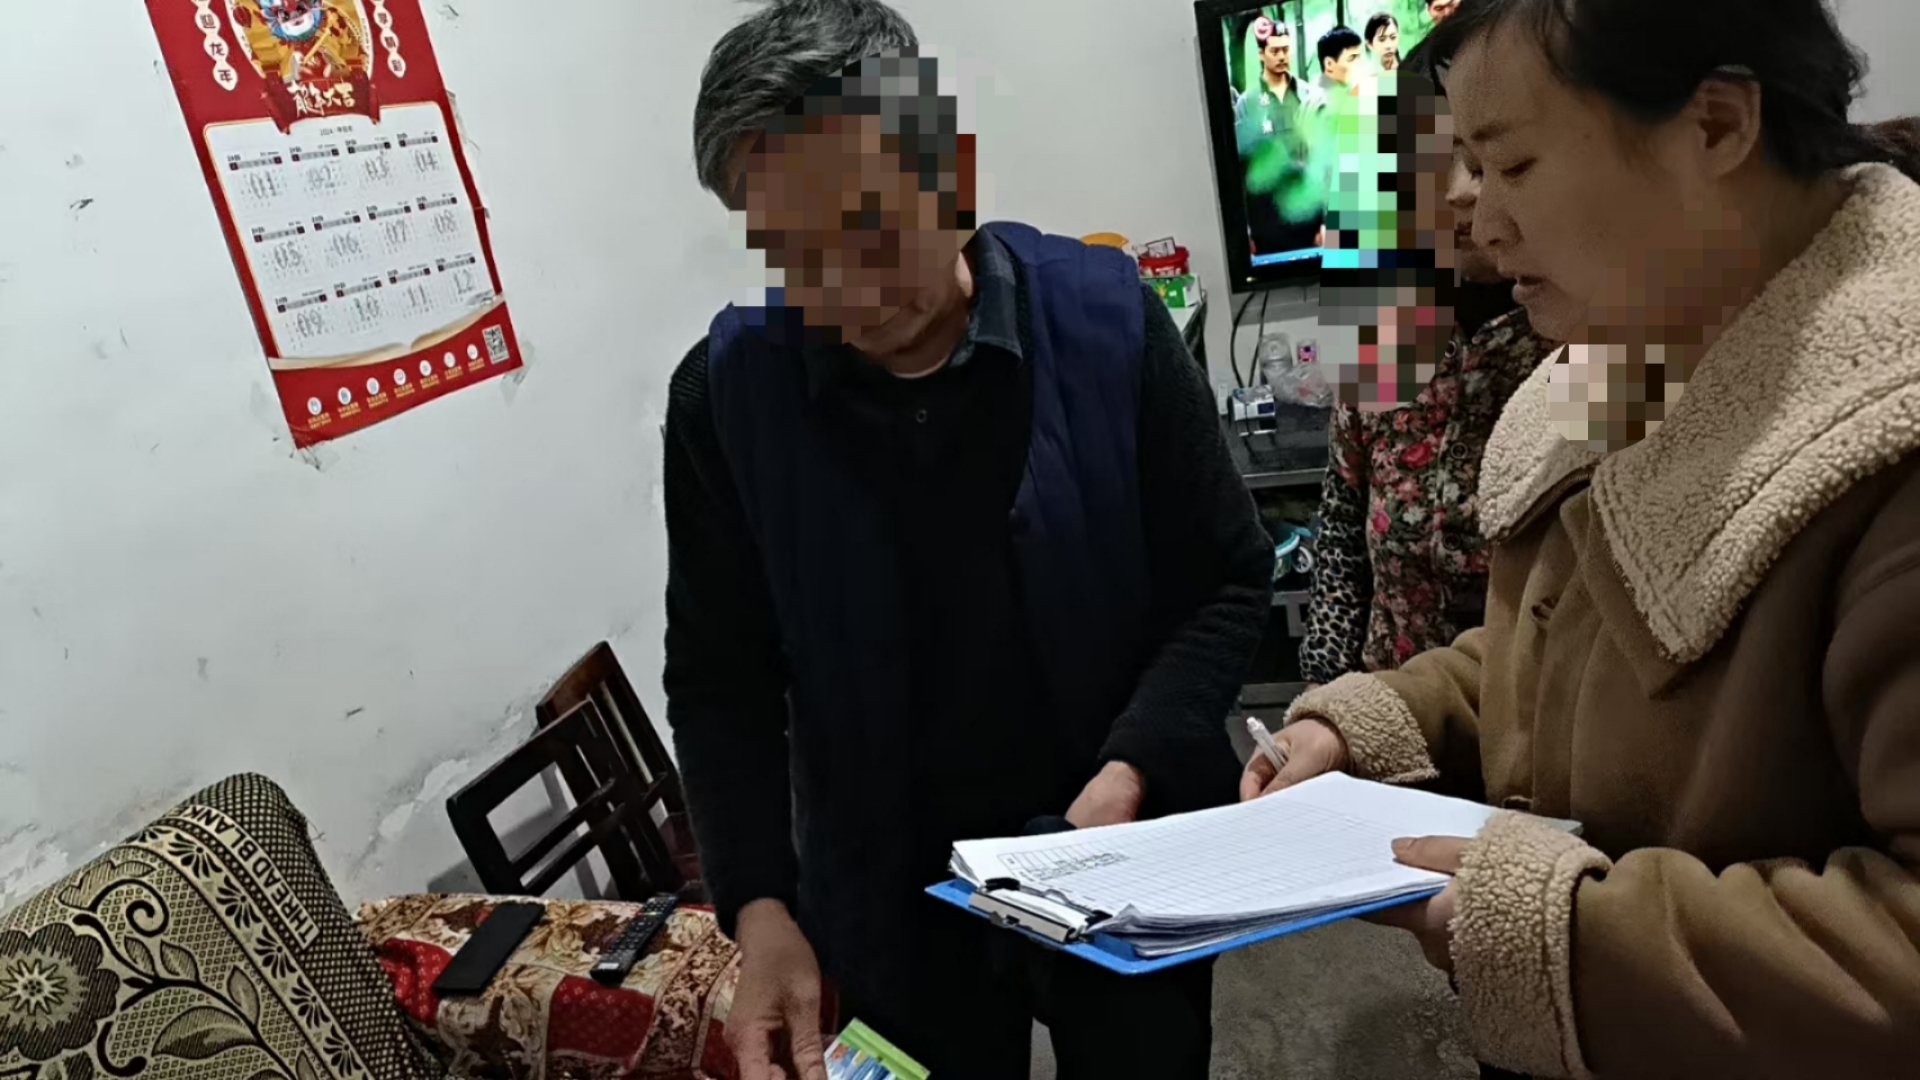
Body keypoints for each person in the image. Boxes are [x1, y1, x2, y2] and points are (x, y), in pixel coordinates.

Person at [1244, 0, 1920, 1075]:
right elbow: (1571, 643)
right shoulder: (1631, 358)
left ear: (1715, 126)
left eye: (1509, 164)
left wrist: (1565, 933)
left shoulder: (1886, 432)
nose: (1468, 209)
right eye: (1464, 166)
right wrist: (1385, 715)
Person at [668, 2, 1273, 1078]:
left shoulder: (1107, 320)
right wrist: (759, 907)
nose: (846, 292)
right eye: (796, 257)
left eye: (867, 228)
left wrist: (1130, 770)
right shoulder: (726, 398)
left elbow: (1223, 581)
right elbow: (723, 680)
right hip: (887, 883)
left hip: (1117, 845)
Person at [1298, 78, 1556, 688]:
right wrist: (1325, 683)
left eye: (1485, 161)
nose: (1461, 191)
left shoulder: (1578, 325)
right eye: (1438, 162)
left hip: (1531, 701)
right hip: (1388, 691)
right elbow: (1342, 519)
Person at [1234, 16, 1329, 257]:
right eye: (1274, 51)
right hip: (1265, 227)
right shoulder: (1247, 105)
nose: (1281, 56)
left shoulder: (1311, 97)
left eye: (1285, 49)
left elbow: (1327, 162)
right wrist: (1245, 231)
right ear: (1261, 54)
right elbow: (1241, 173)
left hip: (1311, 220)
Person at [1316, 25, 1366, 94]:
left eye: (1359, 57)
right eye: (1352, 58)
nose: (1360, 63)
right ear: (1329, 64)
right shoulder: (1323, 98)